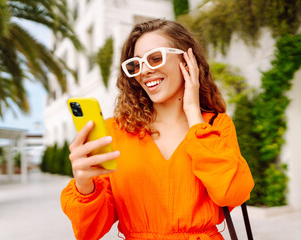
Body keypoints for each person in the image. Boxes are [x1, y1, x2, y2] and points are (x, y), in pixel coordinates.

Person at [61, 19, 254, 240]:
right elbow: (89, 231)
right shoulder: (115, 131)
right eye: (136, 64)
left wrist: (193, 112)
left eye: (155, 58)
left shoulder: (215, 126)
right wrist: (84, 185)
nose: (144, 71)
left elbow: (231, 194)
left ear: (186, 60)